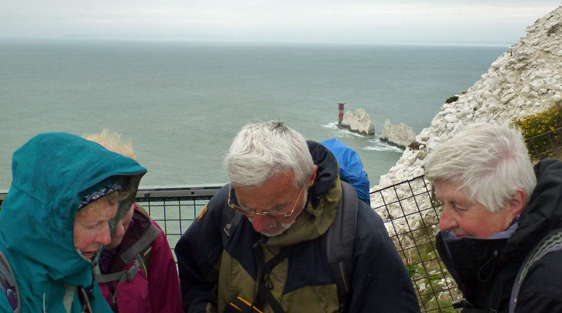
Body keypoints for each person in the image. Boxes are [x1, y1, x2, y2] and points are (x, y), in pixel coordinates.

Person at [175, 120, 420, 313]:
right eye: (247, 209)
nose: (259, 224)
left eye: (277, 209)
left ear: (310, 178)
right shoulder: (227, 206)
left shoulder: (361, 235)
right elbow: (193, 275)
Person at [425, 122, 562, 312]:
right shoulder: (502, 258)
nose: (443, 222)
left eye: (458, 206)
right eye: (443, 204)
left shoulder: (551, 290)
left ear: (513, 204)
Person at [0, 132, 147, 312]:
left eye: (109, 221)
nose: (106, 238)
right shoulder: (7, 291)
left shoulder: (77, 274)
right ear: (48, 225)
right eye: (92, 225)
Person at [83, 130, 183, 313]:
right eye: (109, 221)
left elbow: (168, 306)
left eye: (124, 220)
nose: (119, 232)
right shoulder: (59, 249)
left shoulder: (149, 238)